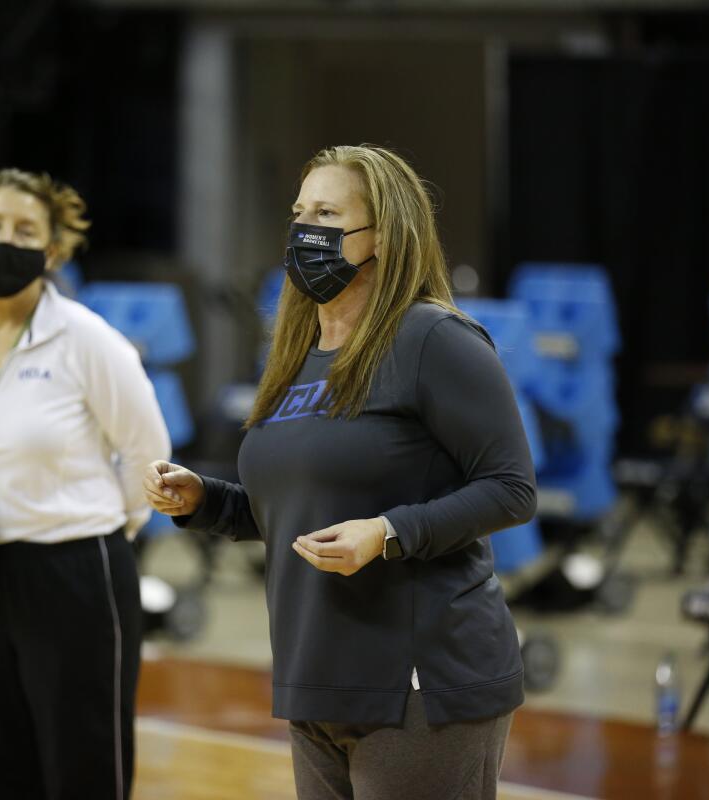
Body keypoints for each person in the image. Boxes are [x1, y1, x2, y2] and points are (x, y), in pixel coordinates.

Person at [144, 145, 537, 799]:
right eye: (300, 212)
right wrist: (206, 501)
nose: (304, 230)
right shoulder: (298, 354)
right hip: (315, 673)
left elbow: (511, 487)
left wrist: (387, 531)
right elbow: (301, 510)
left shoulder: (434, 339)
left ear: (382, 234)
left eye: (327, 213)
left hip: (420, 681)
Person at [0, 168, 170, 799]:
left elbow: (148, 455)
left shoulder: (88, 340)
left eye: (25, 230)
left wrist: (101, 534)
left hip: (74, 573)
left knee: (85, 770)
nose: (5, 240)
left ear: (52, 250)